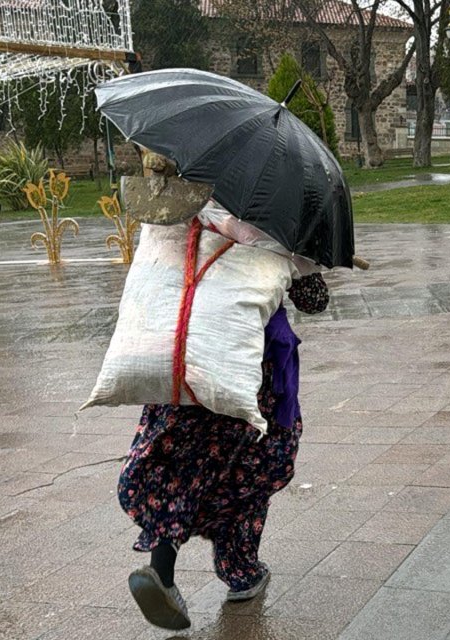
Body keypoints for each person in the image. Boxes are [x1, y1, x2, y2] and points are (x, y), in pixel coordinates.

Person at [117, 153, 330, 631]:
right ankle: (240, 573)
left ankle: (162, 570)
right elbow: (315, 302)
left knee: (178, 466)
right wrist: (308, 257)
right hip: (249, 380)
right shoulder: (277, 225)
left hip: (186, 369)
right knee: (250, 471)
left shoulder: (183, 213)